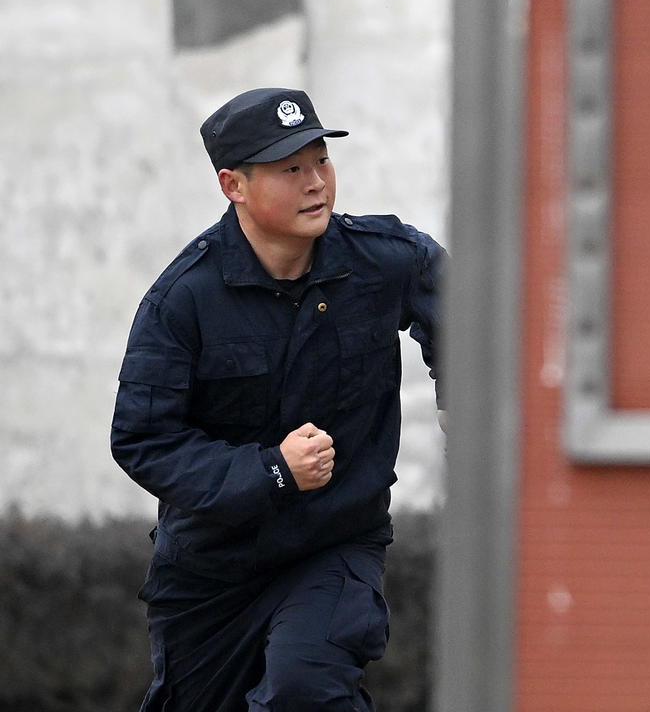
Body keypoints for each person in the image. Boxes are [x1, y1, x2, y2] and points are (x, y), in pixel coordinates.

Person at [111, 87, 445, 711]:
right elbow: (143, 439)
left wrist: (467, 416)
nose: (316, 183)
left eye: (322, 161)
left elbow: (472, 319)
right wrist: (271, 471)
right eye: (291, 170)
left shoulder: (384, 260)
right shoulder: (184, 299)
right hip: (212, 569)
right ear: (232, 185)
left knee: (304, 691)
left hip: (334, 545)